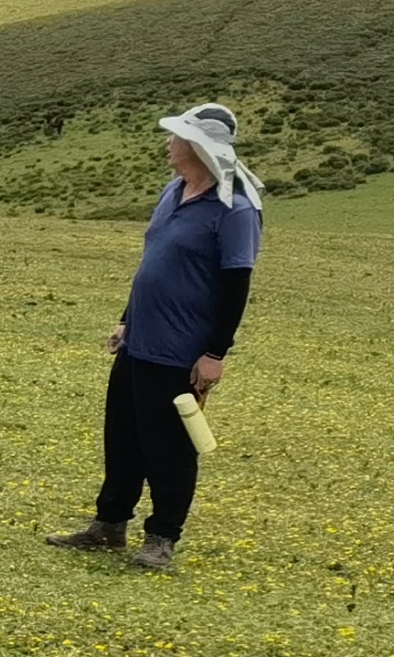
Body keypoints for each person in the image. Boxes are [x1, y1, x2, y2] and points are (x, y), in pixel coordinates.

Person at [50, 104, 260, 573]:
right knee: (122, 437)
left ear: (200, 147)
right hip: (139, 341)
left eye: (177, 137)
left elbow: (236, 286)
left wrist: (214, 354)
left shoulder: (235, 209)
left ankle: (162, 536)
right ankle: (108, 525)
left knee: (169, 448)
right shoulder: (174, 191)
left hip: (179, 351)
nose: (168, 142)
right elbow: (154, 264)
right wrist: (127, 319)